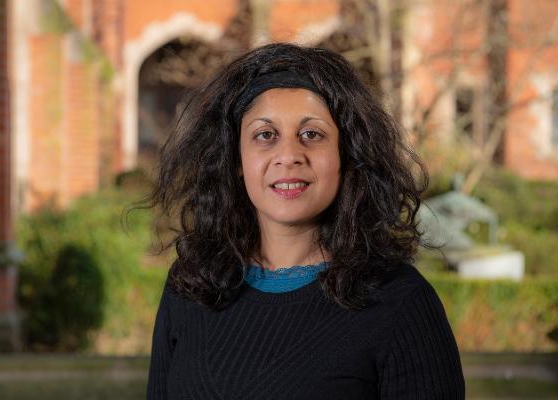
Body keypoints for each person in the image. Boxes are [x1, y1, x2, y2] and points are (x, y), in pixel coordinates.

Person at [145, 42, 465, 399]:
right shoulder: (191, 284)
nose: (288, 156)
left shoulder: (400, 301)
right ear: (235, 160)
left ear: (347, 154)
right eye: (265, 135)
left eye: (311, 135)